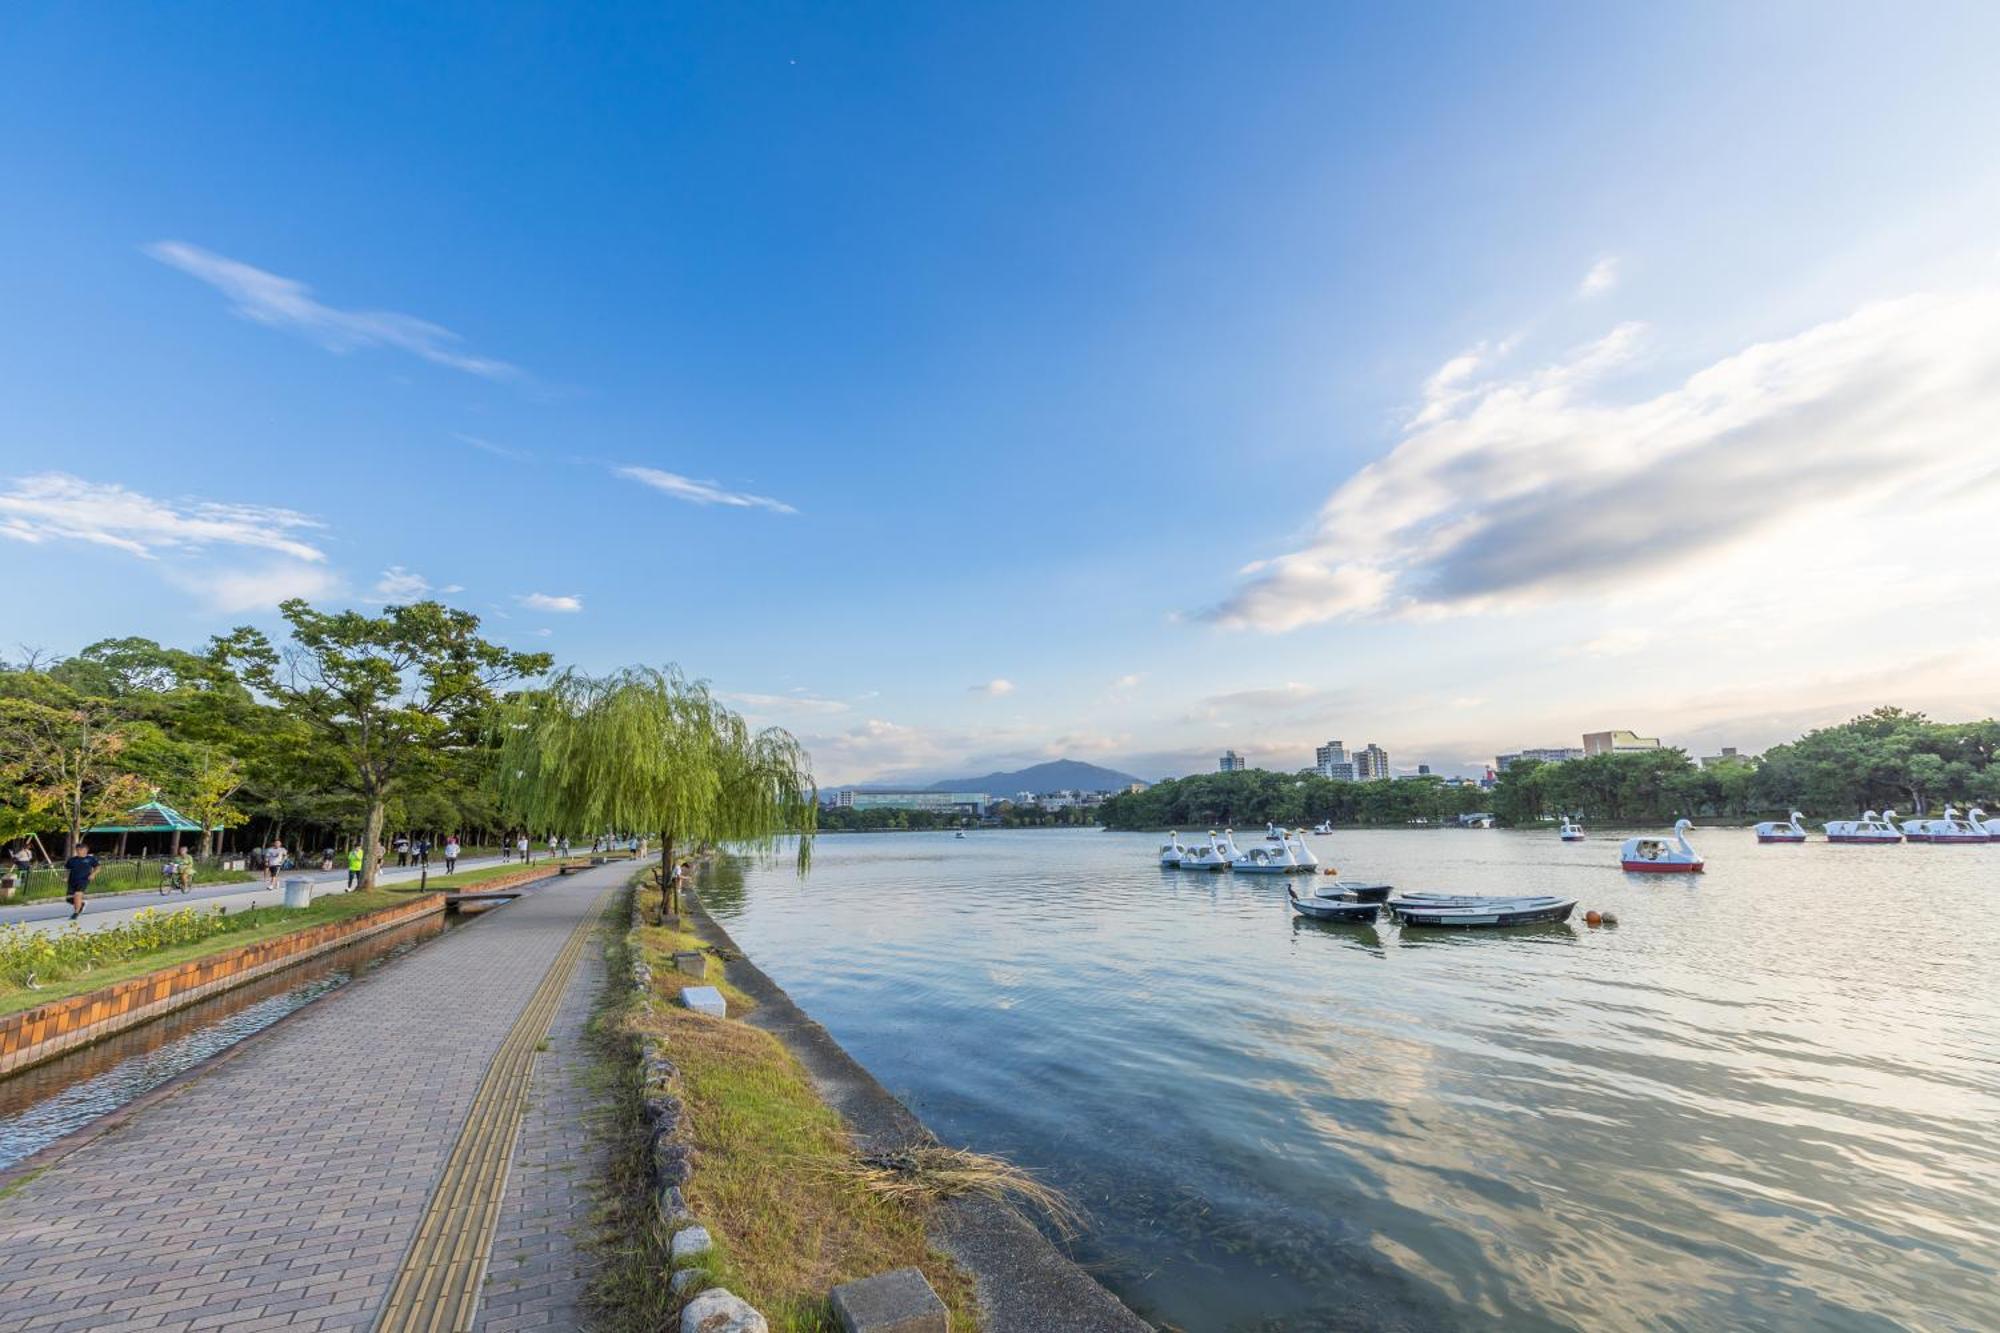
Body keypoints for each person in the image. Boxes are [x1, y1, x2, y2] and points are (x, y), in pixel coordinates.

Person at [64, 842, 99, 920]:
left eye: (80, 849)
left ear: (86, 850)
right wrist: (66, 877)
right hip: (72, 881)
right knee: (69, 899)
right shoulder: (72, 860)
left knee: (77, 895)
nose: (78, 851)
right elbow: (67, 869)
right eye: (77, 850)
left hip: (83, 880)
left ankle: (76, 913)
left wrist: (93, 874)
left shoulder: (90, 859)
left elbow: (98, 867)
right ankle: (81, 904)